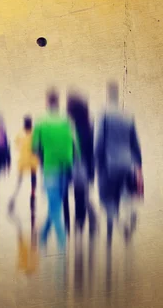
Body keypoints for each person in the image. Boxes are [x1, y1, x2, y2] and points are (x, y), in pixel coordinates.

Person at [95, 81, 143, 245]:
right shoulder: (128, 115)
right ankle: (130, 213)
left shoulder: (103, 115)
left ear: (107, 95)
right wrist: (138, 166)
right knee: (124, 195)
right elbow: (135, 143)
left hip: (110, 164)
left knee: (105, 199)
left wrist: (98, 164)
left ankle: (122, 224)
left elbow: (99, 142)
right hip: (128, 163)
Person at [32, 88, 76, 252]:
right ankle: (43, 237)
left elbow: (35, 148)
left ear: (46, 102)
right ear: (58, 102)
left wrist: (44, 154)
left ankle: (62, 244)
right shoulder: (68, 120)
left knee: (55, 206)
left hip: (50, 167)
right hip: (67, 167)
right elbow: (75, 144)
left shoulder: (41, 121)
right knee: (55, 203)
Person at [67, 92, 98, 234]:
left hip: (74, 164)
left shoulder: (70, 126)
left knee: (77, 195)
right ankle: (82, 222)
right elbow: (92, 148)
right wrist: (92, 169)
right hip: (85, 165)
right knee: (81, 196)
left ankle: (79, 223)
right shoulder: (89, 124)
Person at [8, 116, 39, 214]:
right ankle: (33, 195)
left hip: (23, 160)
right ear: (31, 123)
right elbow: (39, 146)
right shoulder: (35, 133)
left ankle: (14, 197)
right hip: (33, 160)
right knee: (33, 178)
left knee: (19, 180)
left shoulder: (20, 133)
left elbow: (16, 145)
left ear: (24, 123)